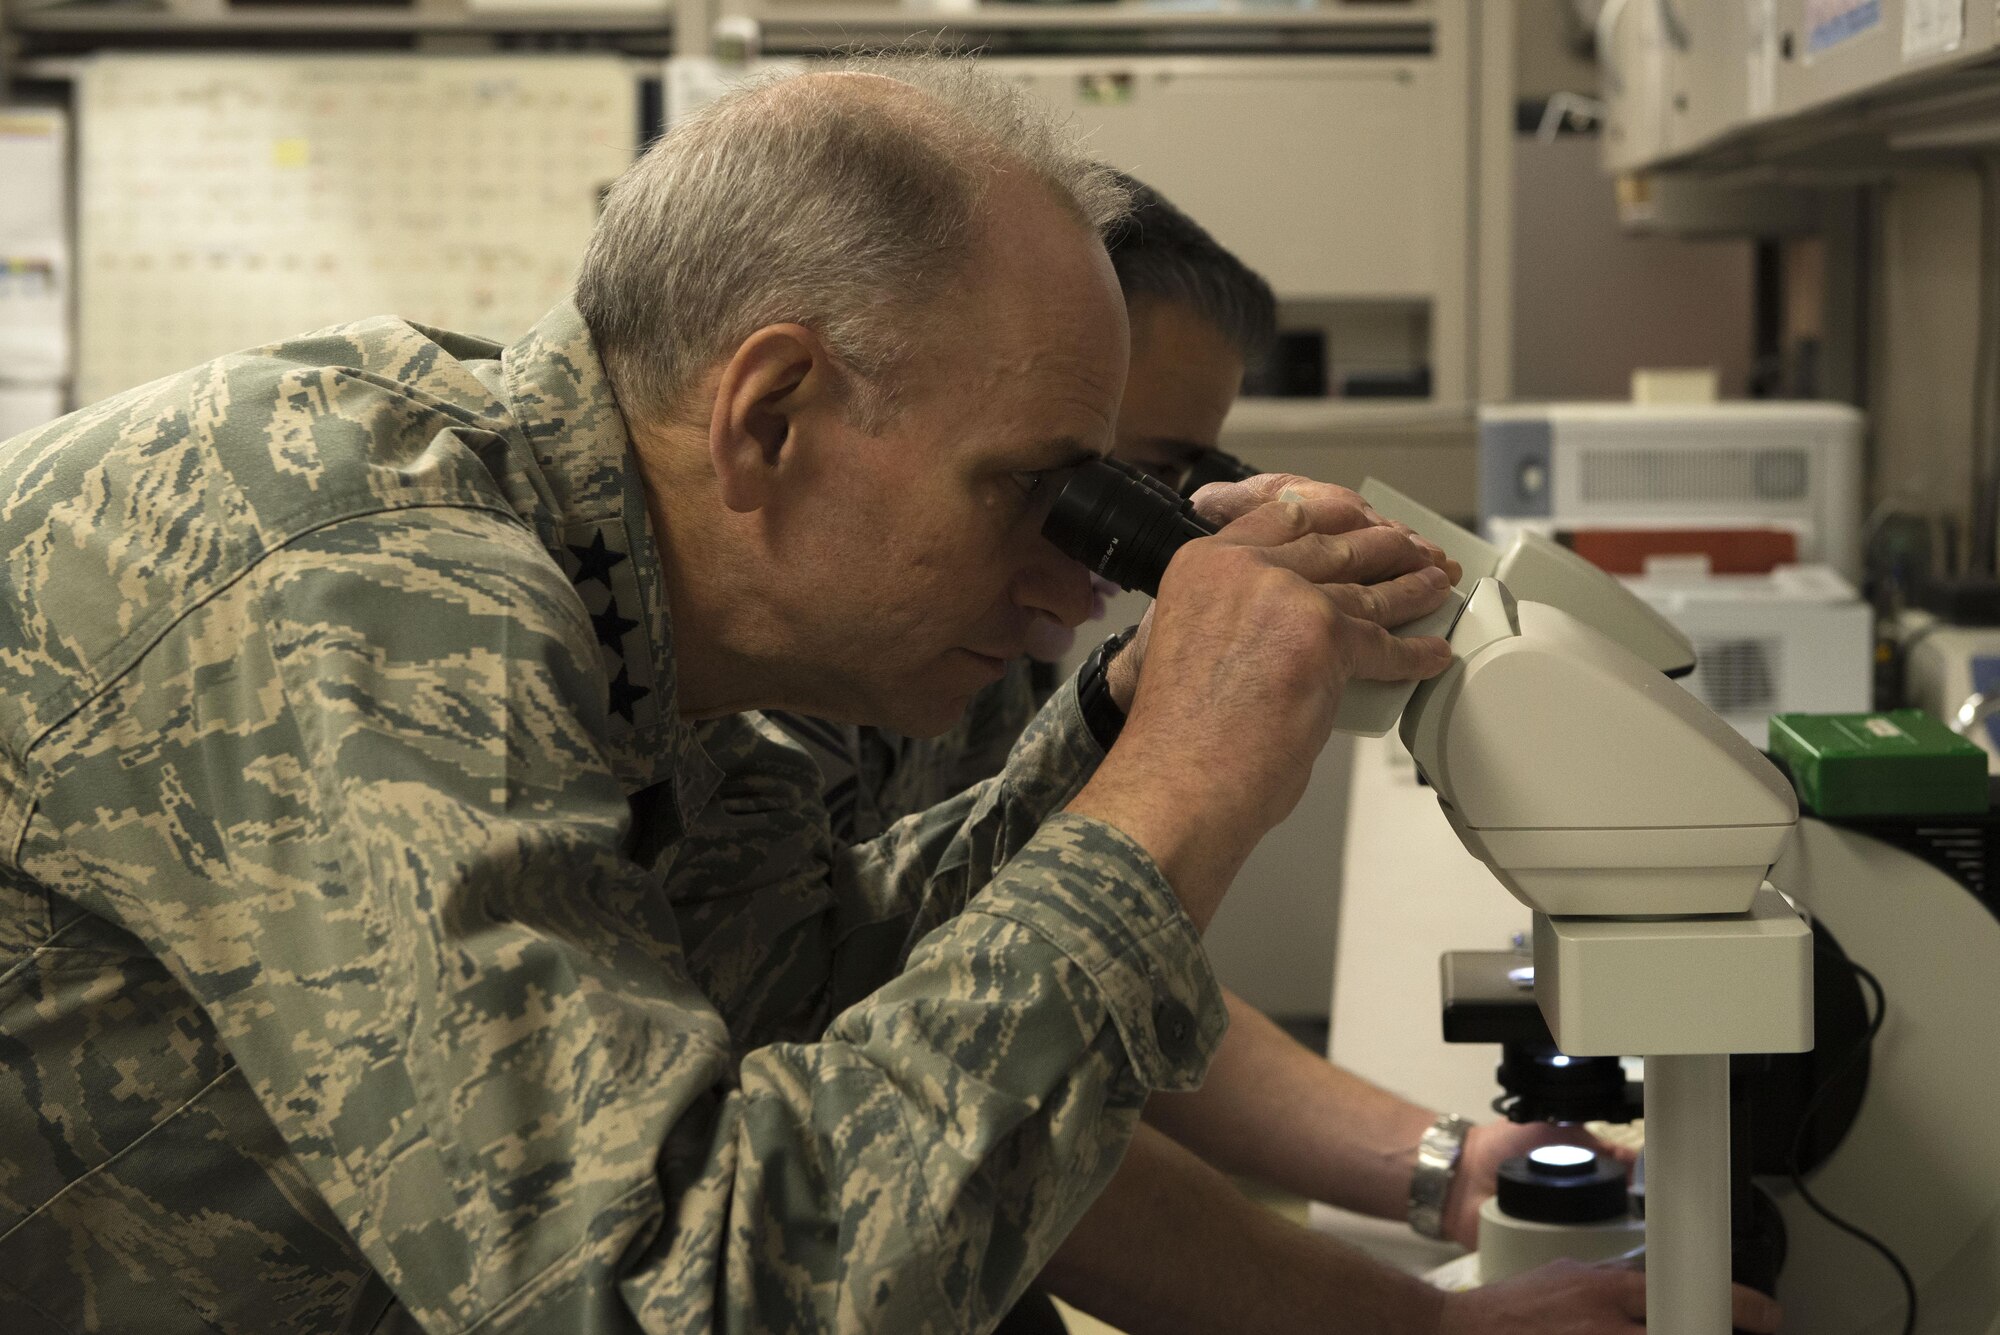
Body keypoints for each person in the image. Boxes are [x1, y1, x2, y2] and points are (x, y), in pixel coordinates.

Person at [0, 59, 1775, 1335]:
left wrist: (1131, 711)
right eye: (1039, 491)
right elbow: (675, 1294)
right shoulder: (365, 594)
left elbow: (819, 984)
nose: (1079, 576)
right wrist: (1178, 791)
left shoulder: (678, 619)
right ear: (769, 418)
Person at [775, 181, 1779, 1335]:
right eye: (1101, 485)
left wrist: (1448, 1166)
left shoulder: (976, 640)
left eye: (1181, 475)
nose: (1097, 568)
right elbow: (959, 1120)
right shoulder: (772, 709)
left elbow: (1066, 979)